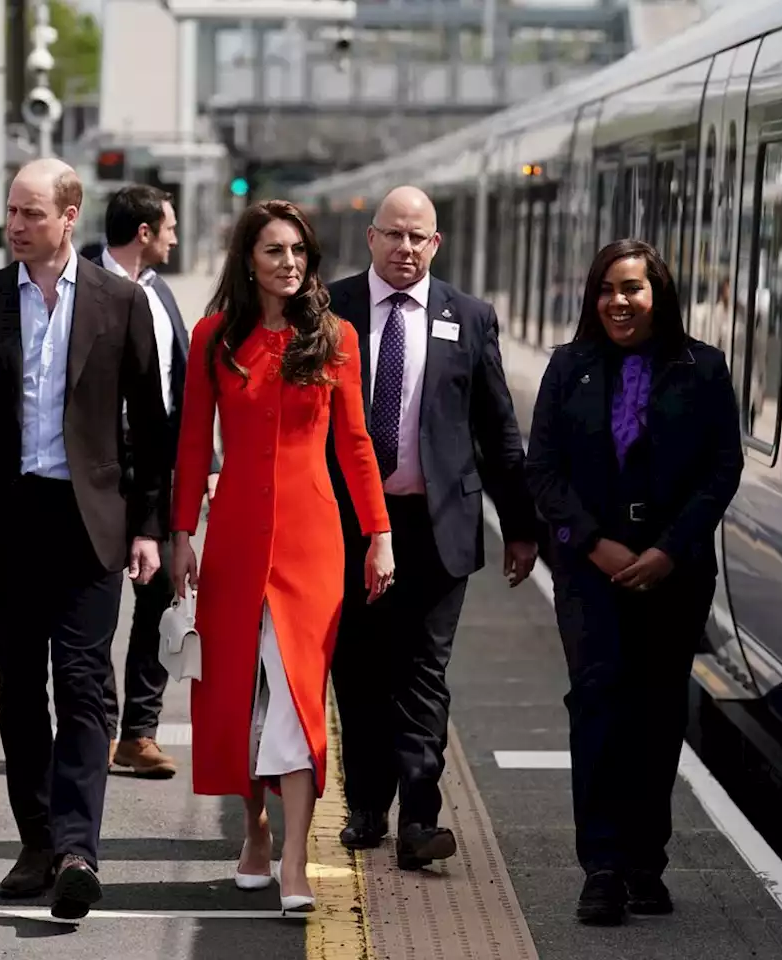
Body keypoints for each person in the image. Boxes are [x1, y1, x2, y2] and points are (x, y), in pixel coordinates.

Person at [0, 158, 169, 921]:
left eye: (31, 213)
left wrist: (150, 527)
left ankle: (77, 849)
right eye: (11, 213)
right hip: (4, 521)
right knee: (22, 692)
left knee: (84, 684)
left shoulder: (120, 303)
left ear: (70, 217)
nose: (15, 227)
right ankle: (37, 840)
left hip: (88, 521)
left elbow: (153, 428)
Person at [170, 199, 394, 913]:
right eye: (274, 251)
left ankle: (294, 857)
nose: (290, 263)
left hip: (313, 544)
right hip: (234, 538)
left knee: (297, 696)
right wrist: (181, 536)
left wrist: (379, 534)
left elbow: (356, 446)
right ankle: (255, 832)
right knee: (239, 693)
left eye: (298, 250)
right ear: (249, 261)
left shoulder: (337, 338)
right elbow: (189, 447)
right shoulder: (214, 338)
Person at [525, 239, 743, 925]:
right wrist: (595, 544)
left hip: (673, 572)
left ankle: (647, 862)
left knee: (657, 713)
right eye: (608, 290)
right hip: (591, 571)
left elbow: (722, 470)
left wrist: (670, 550)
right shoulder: (569, 368)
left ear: (659, 295)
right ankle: (604, 868)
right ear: (594, 298)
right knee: (597, 705)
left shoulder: (703, 369)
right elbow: (545, 471)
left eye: (634, 289)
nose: (619, 302)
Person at [325, 186, 539, 866]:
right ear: (371, 238)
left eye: (419, 237)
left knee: (423, 671)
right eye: (394, 234)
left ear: (436, 244)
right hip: (352, 523)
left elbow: (497, 429)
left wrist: (522, 525)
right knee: (357, 669)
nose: (406, 248)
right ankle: (365, 804)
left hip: (438, 523)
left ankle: (420, 817)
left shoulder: (468, 317)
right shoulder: (332, 309)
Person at [92, 184, 221, 777]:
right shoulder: (83, 286)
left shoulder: (160, 292)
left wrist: (208, 460)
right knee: (92, 600)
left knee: (158, 596)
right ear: (143, 232)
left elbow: (185, 385)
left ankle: (138, 732)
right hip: (95, 464)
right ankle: (96, 723)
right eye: (167, 227)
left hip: (157, 464)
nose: (173, 236)